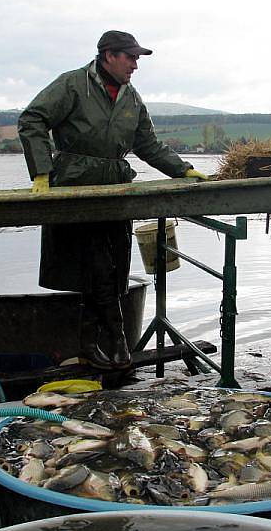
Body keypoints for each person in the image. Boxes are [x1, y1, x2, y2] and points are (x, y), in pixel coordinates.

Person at [18, 30, 207, 371]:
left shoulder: (131, 98)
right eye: (130, 57)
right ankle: (115, 341)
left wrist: (184, 170)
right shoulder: (73, 84)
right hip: (76, 189)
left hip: (117, 192)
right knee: (93, 265)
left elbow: (147, 145)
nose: (135, 65)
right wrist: (42, 171)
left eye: (137, 58)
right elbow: (32, 119)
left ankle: (95, 342)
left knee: (115, 267)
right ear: (108, 55)